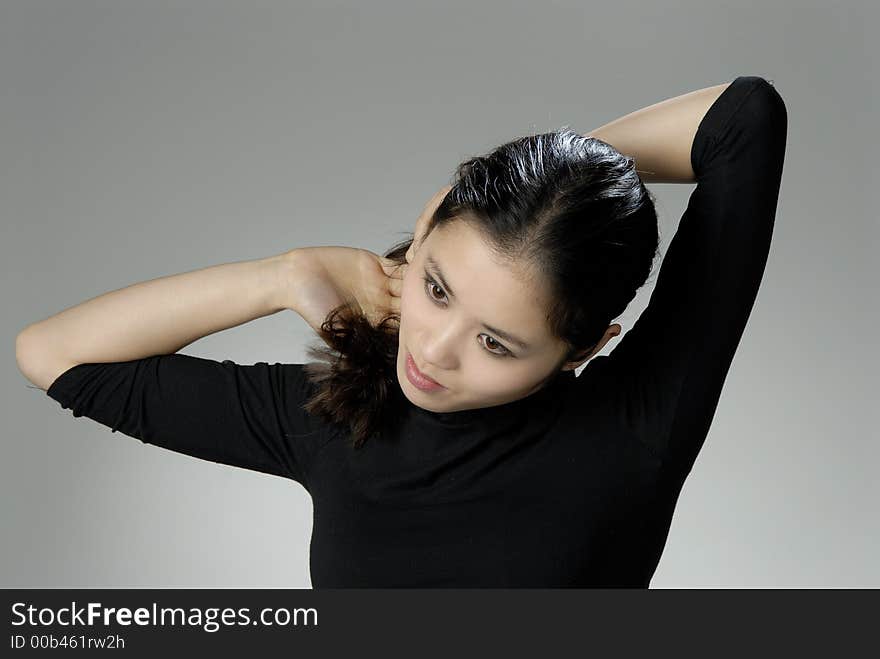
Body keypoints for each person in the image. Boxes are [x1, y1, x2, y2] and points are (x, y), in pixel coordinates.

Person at [15, 75, 788, 587]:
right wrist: (281, 276)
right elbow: (53, 353)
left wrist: (564, 191)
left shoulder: (636, 426)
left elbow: (745, 120)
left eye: (496, 342)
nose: (432, 350)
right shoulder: (343, 411)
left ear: (586, 349)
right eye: (437, 287)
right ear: (420, 238)